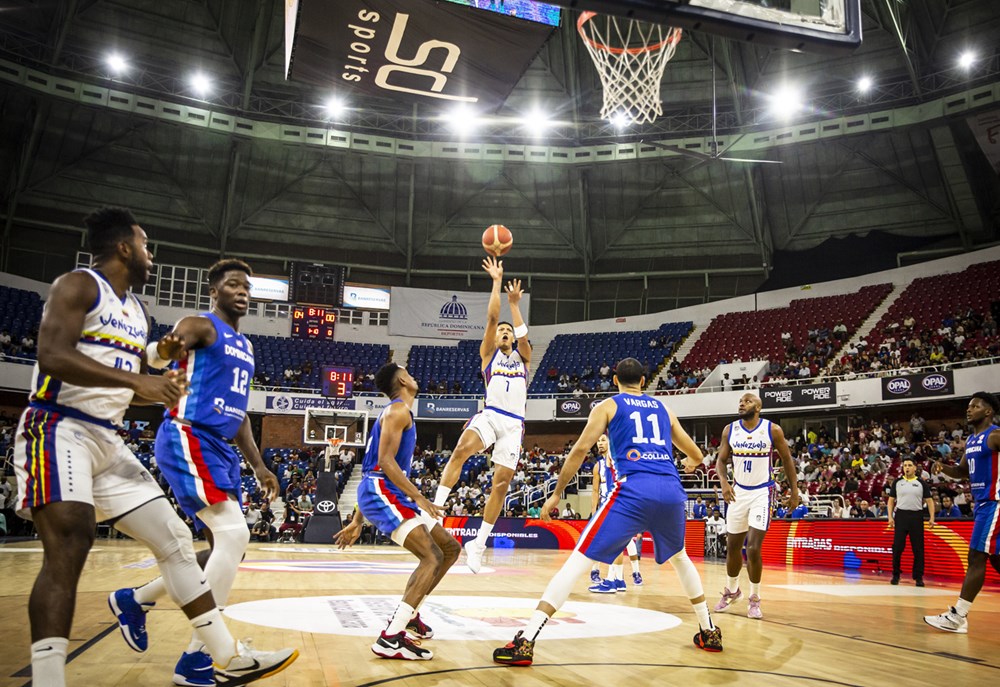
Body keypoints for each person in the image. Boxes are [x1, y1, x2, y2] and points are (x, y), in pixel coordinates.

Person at [12, 208, 296, 687]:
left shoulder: (138, 312)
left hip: (112, 439)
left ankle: (183, 631)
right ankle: (55, 678)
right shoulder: (79, 286)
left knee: (178, 541)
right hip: (62, 426)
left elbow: (167, 382)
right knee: (73, 543)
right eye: (145, 244)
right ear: (124, 246)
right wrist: (157, 364)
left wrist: (258, 461)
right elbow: (54, 356)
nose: (151, 253)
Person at [108, 258, 286, 685]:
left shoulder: (245, 346)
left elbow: (240, 413)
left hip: (219, 447)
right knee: (235, 535)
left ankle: (136, 599)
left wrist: (259, 465)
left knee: (221, 548)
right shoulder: (200, 324)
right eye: (232, 284)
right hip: (188, 435)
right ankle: (199, 657)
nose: (242, 290)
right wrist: (163, 350)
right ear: (215, 291)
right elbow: (162, 351)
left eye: (246, 285)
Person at [492, 358, 722, 666]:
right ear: (644, 380)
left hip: (633, 490)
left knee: (577, 561)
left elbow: (578, 450)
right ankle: (708, 630)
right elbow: (696, 453)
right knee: (680, 558)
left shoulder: (608, 406)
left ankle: (527, 640)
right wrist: (690, 464)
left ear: (615, 380)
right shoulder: (663, 409)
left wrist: (557, 493)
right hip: (670, 490)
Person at [336, 363, 461, 660]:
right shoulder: (397, 411)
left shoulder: (400, 412)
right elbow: (384, 463)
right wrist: (419, 497)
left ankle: (410, 612)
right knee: (431, 557)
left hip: (383, 490)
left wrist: (357, 519)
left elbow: (376, 468)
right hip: (383, 490)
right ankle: (390, 637)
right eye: (409, 372)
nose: (414, 375)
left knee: (450, 548)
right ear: (403, 380)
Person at [433, 256, 530, 573]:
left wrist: (514, 306)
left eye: (507, 330)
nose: (503, 332)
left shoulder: (523, 359)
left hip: (514, 425)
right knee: (461, 449)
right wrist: (497, 282)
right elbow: (490, 319)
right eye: (500, 330)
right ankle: (436, 508)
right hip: (491, 414)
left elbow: (525, 338)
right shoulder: (488, 356)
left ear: (512, 337)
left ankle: (478, 543)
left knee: (501, 485)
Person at [714, 393, 799, 620]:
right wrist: (724, 482)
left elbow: (787, 459)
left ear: (759, 407)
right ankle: (732, 590)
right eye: (741, 401)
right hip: (738, 492)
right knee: (732, 547)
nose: (742, 404)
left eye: (748, 401)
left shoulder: (772, 430)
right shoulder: (729, 430)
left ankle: (754, 599)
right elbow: (720, 461)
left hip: (763, 492)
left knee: (752, 548)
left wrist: (795, 491)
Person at [925, 392, 1000, 634]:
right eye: (968, 406)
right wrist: (942, 467)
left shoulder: (996, 435)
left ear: (988, 411)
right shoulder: (971, 440)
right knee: (996, 559)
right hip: (981, 505)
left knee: (976, 557)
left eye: (975, 406)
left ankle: (958, 616)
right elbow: (961, 472)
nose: (969, 410)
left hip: (994, 503)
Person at [588, 434, 643, 593]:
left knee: (619, 543)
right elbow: (594, 490)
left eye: (603, 440)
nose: (600, 443)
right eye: (598, 441)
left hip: (618, 506)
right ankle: (619, 580)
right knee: (617, 544)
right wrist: (594, 511)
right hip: (607, 507)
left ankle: (613, 580)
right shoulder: (598, 465)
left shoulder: (616, 459)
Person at [887, 458, 935, 586]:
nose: (907, 468)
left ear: (915, 468)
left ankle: (918, 577)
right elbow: (891, 500)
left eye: (909, 465)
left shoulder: (921, 483)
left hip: (916, 516)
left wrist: (932, 518)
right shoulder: (897, 482)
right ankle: (896, 575)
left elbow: (929, 501)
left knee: (918, 548)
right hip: (901, 516)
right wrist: (890, 517)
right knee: (897, 547)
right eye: (905, 466)